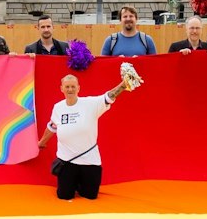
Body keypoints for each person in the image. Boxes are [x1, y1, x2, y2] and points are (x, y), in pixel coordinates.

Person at [38, 71, 137, 201]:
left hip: (90, 161)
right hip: (67, 162)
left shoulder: (90, 104)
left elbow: (109, 97)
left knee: (90, 196)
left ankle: (79, 183)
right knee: (64, 196)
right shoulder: (58, 107)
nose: (70, 89)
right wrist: (42, 142)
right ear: (61, 88)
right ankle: (71, 182)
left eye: (73, 86)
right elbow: (52, 127)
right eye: (67, 86)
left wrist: (124, 84)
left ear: (78, 88)